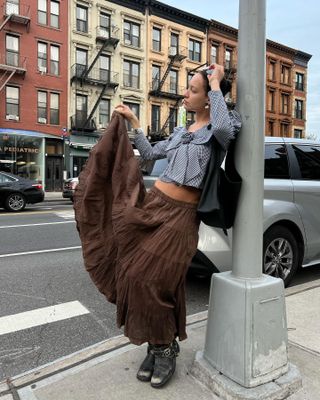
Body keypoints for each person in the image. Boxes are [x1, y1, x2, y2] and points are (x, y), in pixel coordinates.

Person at [74, 64, 241, 389]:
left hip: (181, 217)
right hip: (152, 208)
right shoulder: (182, 131)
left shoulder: (222, 126)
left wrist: (217, 85)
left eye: (192, 90)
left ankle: (164, 349)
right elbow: (150, 154)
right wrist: (135, 125)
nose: (185, 94)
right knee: (136, 276)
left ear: (208, 98)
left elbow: (223, 131)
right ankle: (159, 344)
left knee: (156, 281)